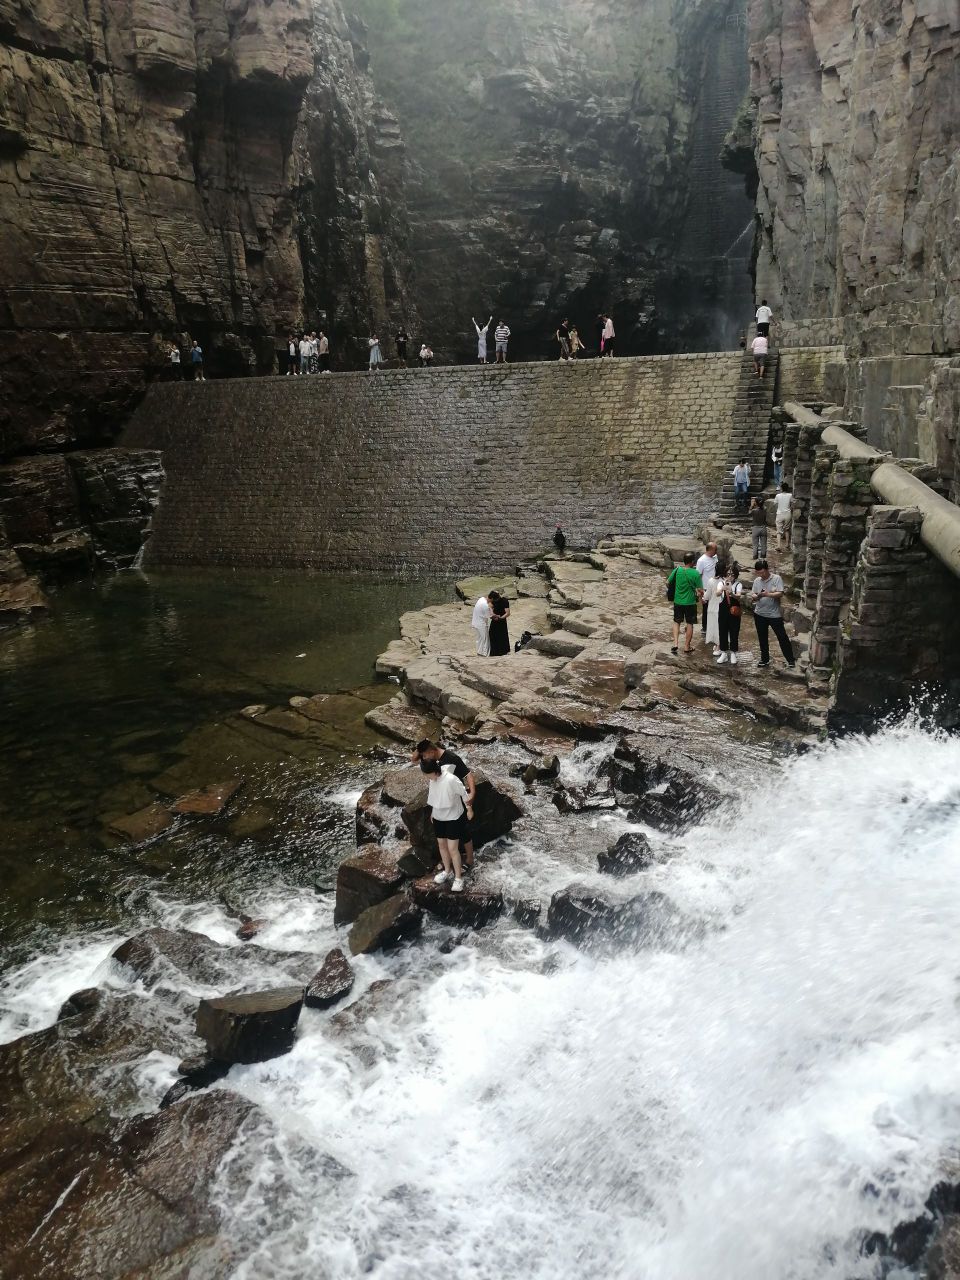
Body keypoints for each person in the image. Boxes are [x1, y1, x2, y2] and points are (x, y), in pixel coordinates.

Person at [412, 739, 478, 875]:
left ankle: (470, 859)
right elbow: (414, 759)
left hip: (456, 800)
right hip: (441, 803)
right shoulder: (430, 762)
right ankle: (447, 861)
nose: (423, 759)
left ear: (432, 751)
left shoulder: (451, 758)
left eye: (425, 755)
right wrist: (420, 746)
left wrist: (472, 793)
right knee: (444, 838)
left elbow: (468, 774)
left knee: (463, 832)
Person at [750, 560, 795, 669]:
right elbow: (753, 593)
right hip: (759, 613)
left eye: (762, 572)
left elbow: (780, 593)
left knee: (782, 637)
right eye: (758, 572)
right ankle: (764, 659)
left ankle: (790, 660)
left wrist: (768, 594)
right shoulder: (757, 580)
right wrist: (756, 596)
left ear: (766, 570)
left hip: (774, 614)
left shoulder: (776, 578)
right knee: (762, 637)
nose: (760, 575)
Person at [667, 551, 703, 655]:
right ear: (692, 562)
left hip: (678, 601)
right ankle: (687, 646)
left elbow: (668, 582)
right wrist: (700, 593)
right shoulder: (695, 573)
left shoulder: (677, 570)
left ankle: (675, 644)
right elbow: (700, 590)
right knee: (690, 624)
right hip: (690, 603)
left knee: (676, 622)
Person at [716, 562, 744, 665]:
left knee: (734, 631)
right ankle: (723, 653)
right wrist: (722, 589)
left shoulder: (738, 584)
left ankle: (733, 653)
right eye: (728, 574)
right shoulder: (721, 583)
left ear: (735, 575)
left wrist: (732, 592)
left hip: (734, 611)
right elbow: (717, 593)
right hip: (723, 611)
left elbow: (739, 596)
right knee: (722, 630)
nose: (730, 576)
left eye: (732, 574)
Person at [696, 541, 718, 635]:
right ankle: (704, 628)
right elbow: (698, 576)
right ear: (710, 549)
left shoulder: (715, 558)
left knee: (715, 608)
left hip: (715, 588)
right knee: (706, 610)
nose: (716, 551)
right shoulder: (701, 560)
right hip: (705, 588)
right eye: (715, 549)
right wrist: (700, 593)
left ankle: (713, 627)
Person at [705, 559, 725, 652]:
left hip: (712, 608)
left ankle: (718, 647)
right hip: (722, 608)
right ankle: (721, 645)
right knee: (721, 628)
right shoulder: (726, 582)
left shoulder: (711, 581)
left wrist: (702, 597)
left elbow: (707, 596)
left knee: (714, 627)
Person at [488, 591, 511, 656]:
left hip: (501, 621)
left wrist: (500, 618)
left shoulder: (504, 601)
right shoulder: (493, 600)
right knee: (492, 634)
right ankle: (493, 651)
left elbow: (507, 613)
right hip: (495, 620)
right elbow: (490, 606)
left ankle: (503, 651)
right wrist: (492, 613)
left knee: (502, 636)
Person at [774, 482, 794, 552]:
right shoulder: (790, 495)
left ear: (781, 488)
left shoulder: (778, 496)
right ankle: (787, 544)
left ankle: (779, 546)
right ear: (787, 488)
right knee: (787, 530)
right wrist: (790, 509)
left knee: (779, 531)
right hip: (787, 514)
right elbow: (792, 504)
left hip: (779, 514)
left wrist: (779, 509)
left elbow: (775, 504)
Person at [750, 496, 768, 561]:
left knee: (755, 545)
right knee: (764, 544)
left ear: (756, 503)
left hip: (755, 528)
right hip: (763, 528)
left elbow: (749, 513)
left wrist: (752, 505)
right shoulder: (765, 509)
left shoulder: (754, 511)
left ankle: (755, 557)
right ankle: (763, 557)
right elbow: (763, 507)